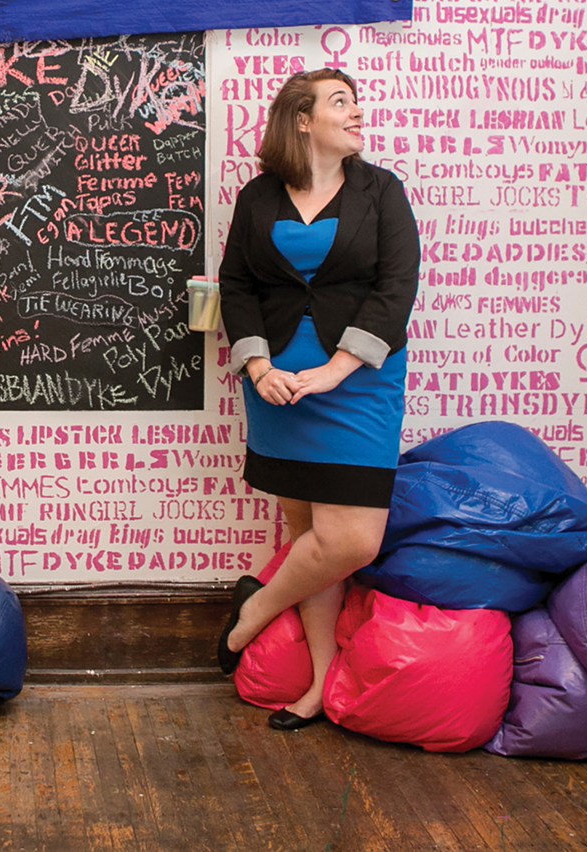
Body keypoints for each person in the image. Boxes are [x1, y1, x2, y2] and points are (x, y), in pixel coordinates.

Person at [214, 69, 420, 730]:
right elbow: (236, 284)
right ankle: (319, 685)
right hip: (277, 390)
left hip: (358, 386)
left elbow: (397, 286)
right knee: (310, 541)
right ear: (300, 120)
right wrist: (254, 363)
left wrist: (336, 369)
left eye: (355, 100)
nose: (356, 111)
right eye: (339, 102)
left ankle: (254, 609)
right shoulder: (258, 197)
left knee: (350, 541)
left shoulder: (381, 191)